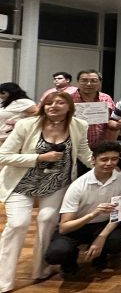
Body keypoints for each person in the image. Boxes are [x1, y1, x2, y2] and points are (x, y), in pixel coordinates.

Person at [0, 92, 93, 292]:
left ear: (69, 107)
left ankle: (41, 270)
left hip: (57, 183)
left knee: (47, 220)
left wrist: (103, 165)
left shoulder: (79, 125)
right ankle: (3, 280)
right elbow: (3, 155)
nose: (53, 106)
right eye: (49, 103)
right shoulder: (26, 125)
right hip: (21, 183)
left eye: (60, 102)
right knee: (17, 224)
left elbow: (84, 152)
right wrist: (38, 158)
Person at [44, 141, 121, 274]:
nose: (109, 163)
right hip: (78, 226)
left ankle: (101, 256)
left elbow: (119, 213)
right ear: (93, 160)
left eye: (114, 159)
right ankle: (70, 260)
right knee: (56, 254)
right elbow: (64, 227)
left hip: (103, 224)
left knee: (117, 242)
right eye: (104, 159)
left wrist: (101, 237)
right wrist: (93, 214)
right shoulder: (78, 186)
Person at [72, 70, 118, 149]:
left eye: (94, 81)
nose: (89, 84)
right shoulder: (68, 99)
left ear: (100, 83)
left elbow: (112, 118)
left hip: (100, 146)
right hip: (75, 145)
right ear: (77, 82)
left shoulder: (106, 98)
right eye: (84, 80)